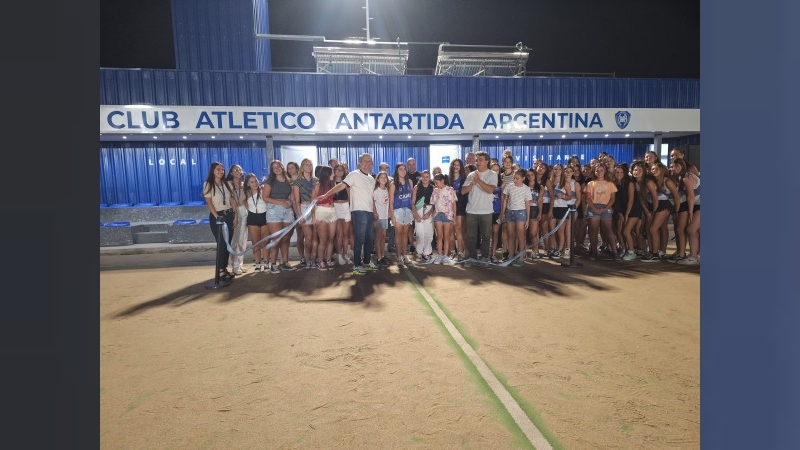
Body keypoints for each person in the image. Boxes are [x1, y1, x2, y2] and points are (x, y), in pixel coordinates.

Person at [317, 153, 377, 275]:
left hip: (369, 212)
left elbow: (371, 197)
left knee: (370, 238)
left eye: (370, 162)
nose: (368, 164)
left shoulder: (371, 178)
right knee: (360, 238)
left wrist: (374, 211)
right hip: (359, 211)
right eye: (365, 161)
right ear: (360, 163)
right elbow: (340, 186)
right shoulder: (354, 174)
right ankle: (357, 265)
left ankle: (366, 262)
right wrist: (326, 195)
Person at [202, 161, 238, 280]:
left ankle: (223, 268)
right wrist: (217, 216)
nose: (221, 171)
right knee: (221, 243)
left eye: (222, 169)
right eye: (218, 169)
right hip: (217, 216)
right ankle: (220, 270)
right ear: (212, 171)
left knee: (228, 244)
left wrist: (236, 215)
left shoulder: (227, 183)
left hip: (229, 214)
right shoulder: (208, 184)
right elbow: (209, 203)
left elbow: (232, 200)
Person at [461, 151, 497, 265]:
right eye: (476, 160)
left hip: (486, 210)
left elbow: (490, 189)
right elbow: (463, 191)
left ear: (487, 161)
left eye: (480, 160)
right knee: (471, 236)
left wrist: (479, 181)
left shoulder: (492, 174)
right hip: (471, 210)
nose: (477, 162)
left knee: (486, 236)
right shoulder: (471, 175)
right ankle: (472, 258)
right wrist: (472, 183)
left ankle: (485, 257)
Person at [262, 160, 295, 273]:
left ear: (282, 167)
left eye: (278, 166)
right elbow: (265, 197)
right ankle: (273, 264)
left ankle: (285, 262)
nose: (277, 169)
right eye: (274, 167)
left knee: (286, 238)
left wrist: (290, 202)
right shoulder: (270, 181)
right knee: (276, 239)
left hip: (287, 209)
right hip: (274, 209)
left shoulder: (289, 180)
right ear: (272, 170)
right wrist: (280, 202)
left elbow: (292, 196)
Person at [584, 164, 618, 260]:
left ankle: (614, 251)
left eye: (601, 170)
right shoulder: (590, 184)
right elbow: (588, 198)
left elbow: (612, 198)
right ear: (594, 172)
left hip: (606, 207)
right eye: (597, 170)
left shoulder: (610, 183)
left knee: (608, 229)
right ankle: (594, 252)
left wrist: (605, 208)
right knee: (593, 230)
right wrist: (594, 208)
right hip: (593, 206)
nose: (599, 172)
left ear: (605, 171)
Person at [500, 169, 532, 267]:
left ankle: (521, 258)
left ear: (523, 178)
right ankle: (510, 256)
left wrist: (527, 219)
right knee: (511, 235)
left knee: (520, 236)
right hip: (510, 212)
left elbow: (527, 204)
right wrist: (503, 212)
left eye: (517, 178)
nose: (515, 180)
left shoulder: (526, 188)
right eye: (514, 178)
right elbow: (505, 199)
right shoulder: (509, 186)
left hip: (520, 213)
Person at [668, 158, 696, 262]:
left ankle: (683, 253)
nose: (671, 169)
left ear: (679, 167)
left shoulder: (686, 177)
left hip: (690, 204)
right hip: (687, 204)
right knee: (680, 229)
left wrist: (691, 211)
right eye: (670, 166)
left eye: (673, 167)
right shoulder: (681, 177)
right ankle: (681, 252)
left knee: (681, 229)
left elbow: (691, 196)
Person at [292, 158, 318, 269]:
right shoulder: (297, 182)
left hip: (315, 208)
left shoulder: (316, 180)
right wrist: (299, 215)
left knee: (315, 237)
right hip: (304, 208)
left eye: (310, 164)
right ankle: (308, 260)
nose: (309, 166)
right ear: (302, 167)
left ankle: (314, 259)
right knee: (308, 237)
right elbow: (296, 200)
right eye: (306, 164)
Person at [389, 162, 415, 268]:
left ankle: (405, 255)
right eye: (400, 169)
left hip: (408, 211)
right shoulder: (393, 184)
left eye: (404, 169)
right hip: (397, 211)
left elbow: (412, 198)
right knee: (398, 234)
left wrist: (413, 211)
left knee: (405, 234)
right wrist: (392, 215)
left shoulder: (410, 182)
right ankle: (399, 256)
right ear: (397, 171)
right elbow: (391, 201)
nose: (403, 171)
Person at [312, 166, 337, 270]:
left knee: (331, 238)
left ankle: (328, 260)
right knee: (323, 240)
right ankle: (321, 261)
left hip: (332, 211)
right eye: (332, 173)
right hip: (321, 212)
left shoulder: (333, 184)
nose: (334, 174)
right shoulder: (318, 185)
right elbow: (312, 202)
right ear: (327, 174)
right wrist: (313, 217)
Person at [243, 173, 269, 272]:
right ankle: (258, 263)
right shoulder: (246, 193)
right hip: (253, 217)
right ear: (248, 184)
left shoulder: (263, 190)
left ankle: (266, 262)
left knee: (265, 242)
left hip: (265, 216)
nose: (254, 184)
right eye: (252, 182)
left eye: (256, 181)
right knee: (255, 243)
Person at [226, 164, 249, 275]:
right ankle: (234, 265)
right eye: (236, 170)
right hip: (235, 212)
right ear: (231, 173)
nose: (238, 171)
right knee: (236, 240)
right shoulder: (228, 185)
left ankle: (240, 263)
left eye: (240, 170)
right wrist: (235, 215)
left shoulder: (244, 185)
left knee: (243, 239)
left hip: (244, 211)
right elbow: (230, 200)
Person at [430, 173, 457, 264]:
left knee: (446, 236)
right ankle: (439, 255)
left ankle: (445, 256)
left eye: (437, 183)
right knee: (439, 236)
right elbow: (433, 204)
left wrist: (454, 216)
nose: (435, 185)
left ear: (442, 181)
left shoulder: (450, 190)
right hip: (438, 214)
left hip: (448, 215)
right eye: (435, 183)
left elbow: (454, 204)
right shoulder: (435, 191)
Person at [411, 170, 434, 261]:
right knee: (420, 233)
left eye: (427, 177)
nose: (425, 178)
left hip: (429, 211)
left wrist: (429, 213)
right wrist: (415, 214)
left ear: (430, 178)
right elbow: (413, 203)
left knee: (429, 233)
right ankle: (419, 252)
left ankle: (426, 252)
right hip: (418, 210)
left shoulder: (433, 188)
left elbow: (434, 203)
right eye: (423, 176)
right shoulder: (416, 187)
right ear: (421, 177)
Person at [549, 164, 572, 258]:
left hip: (562, 208)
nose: (557, 171)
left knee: (560, 231)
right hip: (551, 208)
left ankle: (559, 250)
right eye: (555, 169)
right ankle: (553, 248)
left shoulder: (565, 183)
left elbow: (570, 196)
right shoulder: (550, 182)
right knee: (552, 230)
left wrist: (563, 196)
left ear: (562, 171)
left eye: (559, 169)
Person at [332, 164, 353, 266]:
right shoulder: (331, 183)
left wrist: (348, 206)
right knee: (339, 234)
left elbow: (349, 197)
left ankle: (345, 255)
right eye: (337, 170)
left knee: (346, 234)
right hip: (335, 207)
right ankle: (339, 255)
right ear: (334, 171)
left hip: (345, 207)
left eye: (341, 170)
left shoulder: (346, 183)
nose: (339, 171)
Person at [448, 158, 467, 260]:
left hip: (460, 207)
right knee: (450, 231)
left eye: (458, 165)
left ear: (461, 167)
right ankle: (452, 251)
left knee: (458, 230)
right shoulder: (448, 179)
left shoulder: (464, 178)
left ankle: (460, 252)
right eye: (454, 165)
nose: (456, 166)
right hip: (449, 208)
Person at [372, 171, 391, 267]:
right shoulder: (376, 191)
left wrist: (389, 212)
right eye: (381, 177)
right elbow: (372, 203)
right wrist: (375, 213)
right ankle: (379, 257)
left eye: (385, 177)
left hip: (385, 216)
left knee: (383, 237)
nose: (383, 179)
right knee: (378, 237)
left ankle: (383, 255)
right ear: (378, 180)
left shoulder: (387, 190)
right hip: (378, 217)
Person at [526, 167, 544, 259]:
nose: (530, 177)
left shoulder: (540, 187)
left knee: (534, 233)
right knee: (523, 233)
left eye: (532, 175)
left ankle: (535, 251)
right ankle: (522, 252)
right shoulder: (524, 186)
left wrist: (540, 212)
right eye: (528, 175)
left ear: (535, 175)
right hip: (524, 209)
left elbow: (540, 200)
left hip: (534, 209)